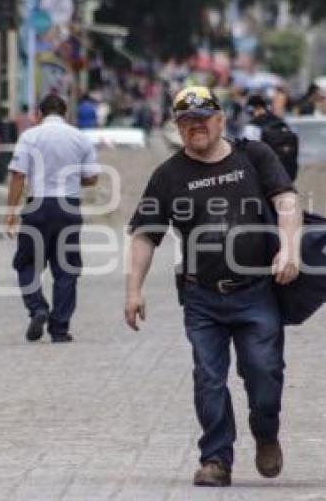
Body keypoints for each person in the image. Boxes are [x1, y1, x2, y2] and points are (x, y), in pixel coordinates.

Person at [125, 85, 301, 487]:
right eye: (186, 122)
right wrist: (133, 291)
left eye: (202, 119)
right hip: (202, 297)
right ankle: (216, 459)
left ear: (220, 119)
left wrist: (289, 249)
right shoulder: (168, 176)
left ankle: (266, 432)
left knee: (264, 375)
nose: (195, 128)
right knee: (208, 378)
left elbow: (287, 201)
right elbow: (144, 235)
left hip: (256, 291)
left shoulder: (254, 156)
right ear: (177, 128)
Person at [4, 93, 100, 344]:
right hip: (68, 208)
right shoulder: (80, 138)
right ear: (66, 113)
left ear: (39, 114)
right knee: (66, 269)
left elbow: (17, 176)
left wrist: (10, 212)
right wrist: (69, 177)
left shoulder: (29, 136)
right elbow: (92, 178)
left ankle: (37, 308)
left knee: (26, 264)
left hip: (37, 207)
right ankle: (59, 329)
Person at [244, 94, 299, 181]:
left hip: (266, 176)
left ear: (251, 109)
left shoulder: (253, 126)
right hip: (288, 173)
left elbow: (249, 152)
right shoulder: (280, 121)